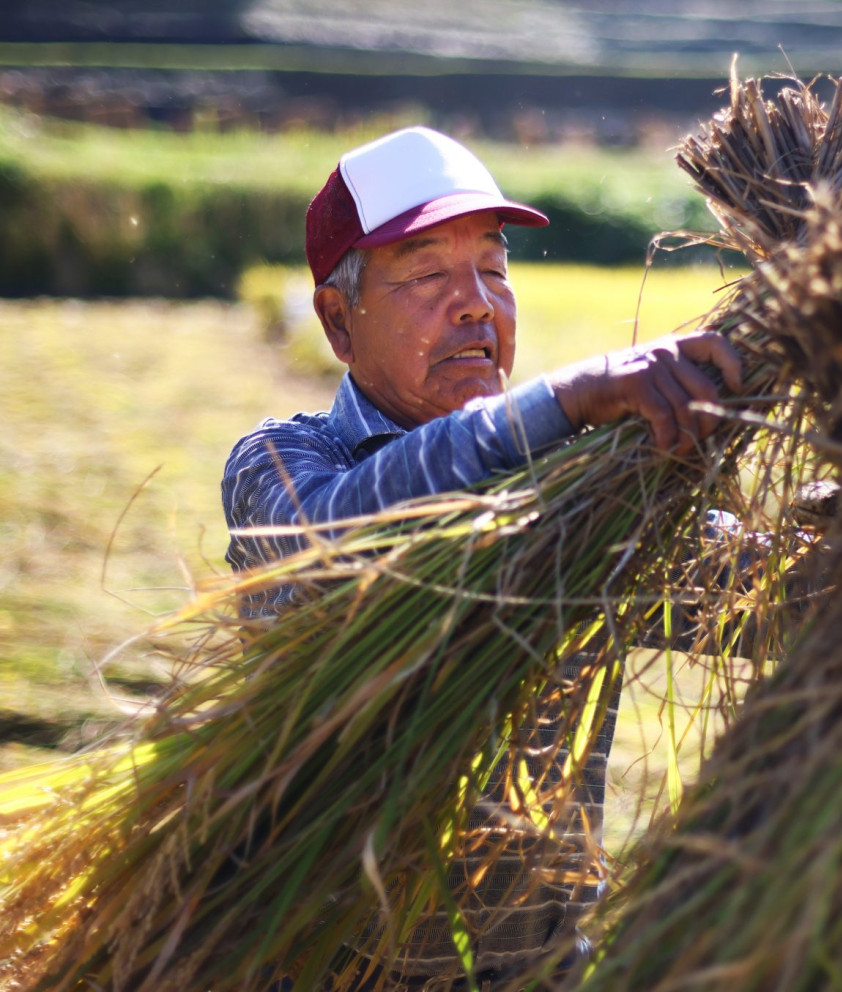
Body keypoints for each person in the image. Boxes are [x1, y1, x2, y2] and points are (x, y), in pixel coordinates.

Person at [220, 125, 743, 988]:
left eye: (494, 272)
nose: (475, 304)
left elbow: (770, 599)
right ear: (338, 322)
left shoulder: (582, 494)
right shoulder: (283, 465)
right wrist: (568, 399)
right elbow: (338, 546)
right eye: (427, 274)